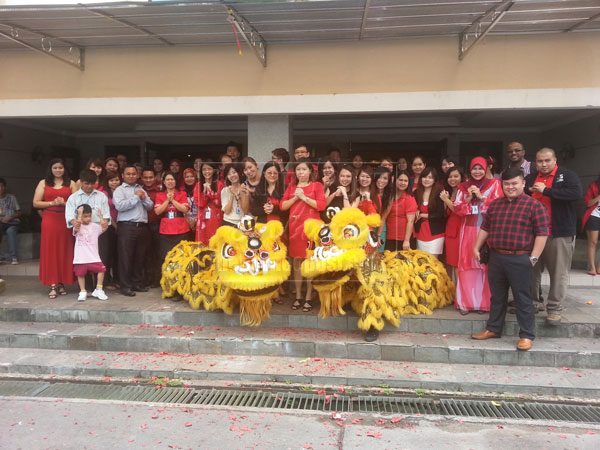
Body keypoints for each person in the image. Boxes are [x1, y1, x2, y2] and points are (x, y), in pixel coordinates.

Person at [472, 167, 550, 351]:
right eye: (506, 184)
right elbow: (485, 228)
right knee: (497, 297)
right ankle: (493, 328)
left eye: (514, 183)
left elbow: (542, 234)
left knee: (522, 298)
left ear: (523, 183)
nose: (510, 187)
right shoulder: (495, 204)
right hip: (496, 257)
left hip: (521, 258)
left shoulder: (534, 206)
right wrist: (476, 247)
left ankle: (526, 335)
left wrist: (533, 258)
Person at [525, 148, 583, 325]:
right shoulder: (530, 177)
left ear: (555, 160)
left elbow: (576, 194)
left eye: (547, 160)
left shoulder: (567, 175)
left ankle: (554, 308)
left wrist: (547, 191)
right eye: (540, 161)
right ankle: (533, 303)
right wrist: (528, 191)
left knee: (558, 272)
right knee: (530, 271)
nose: (543, 164)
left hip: (558, 233)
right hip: (533, 234)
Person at [453, 157, 503, 315]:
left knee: (484, 266)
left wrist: (482, 197)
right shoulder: (462, 187)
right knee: (466, 265)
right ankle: (465, 303)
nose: (477, 171)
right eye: (474, 168)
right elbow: (458, 209)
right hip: (467, 231)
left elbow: (499, 205)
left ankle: (482, 304)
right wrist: (468, 198)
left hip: (485, 231)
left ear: (486, 168)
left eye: (480, 168)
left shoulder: (494, 184)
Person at [281, 158, 326, 313]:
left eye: (304, 169)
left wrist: (304, 197)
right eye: (298, 170)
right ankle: (298, 295)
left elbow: (321, 205)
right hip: (295, 230)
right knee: (297, 264)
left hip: (311, 231)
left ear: (310, 171)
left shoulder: (316, 185)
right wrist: (295, 196)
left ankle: (308, 296)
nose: (301, 172)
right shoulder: (291, 187)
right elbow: (283, 206)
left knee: (310, 264)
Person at [32, 158, 77, 298]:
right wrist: (52, 203)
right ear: (50, 169)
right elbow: (36, 203)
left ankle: (62, 282)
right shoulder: (43, 183)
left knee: (65, 251)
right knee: (50, 251)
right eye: (55, 168)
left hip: (65, 220)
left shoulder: (71, 183)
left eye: (61, 168)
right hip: (50, 220)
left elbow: (77, 202)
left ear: (65, 169)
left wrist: (65, 204)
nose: (58, 170)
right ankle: (52, 283)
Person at [65, 169, 111, 292]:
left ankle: (100, 287)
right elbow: (69, 216)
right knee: (84, 260)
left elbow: (106, 214)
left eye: (92, 183)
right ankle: (87, 288)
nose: (89, 186)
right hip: (82, 233)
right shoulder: (73, 198)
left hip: (99, 231)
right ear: (81, 182)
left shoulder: (101, 196)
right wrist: (74, 222)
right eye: (86, 183)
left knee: (101, 259)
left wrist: (104, 221)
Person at [113, 165, 154, 296]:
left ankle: (137, 283)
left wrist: (143, 198)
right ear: (123, 176)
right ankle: (125, 286)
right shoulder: (119, 190)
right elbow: (120, 206)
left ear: (137, 175)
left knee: (139, 256)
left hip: (141, 227)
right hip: (127, 226)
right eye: (128, 174)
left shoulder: (141, 189)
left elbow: (150, 206)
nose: (131, 176)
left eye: (133, 174)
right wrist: (136, 198)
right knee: (125, 257)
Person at [72, 204, 109, 302]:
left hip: (94, 257)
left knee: (102, 270)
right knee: (80, 274)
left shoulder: (95, 226)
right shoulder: (77, 226)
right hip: (81, 257)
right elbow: (77, 226)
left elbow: (104, 227)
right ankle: (83, 291)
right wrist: (79, 215)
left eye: (89, 216)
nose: (88, 218)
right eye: (85, 216)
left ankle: (99, 289)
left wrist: (101, 216)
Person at [154, 172, 190, 262]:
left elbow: (185, 209)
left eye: (172, 179)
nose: (170, 181)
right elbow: (157, 211)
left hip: (181, 227)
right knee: (166, 256)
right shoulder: (160, 195)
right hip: (166, 228)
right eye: (168, 179)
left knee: (182, 255)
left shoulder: (182, 194)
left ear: (176, 181)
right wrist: (167, 200)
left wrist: (173, 200)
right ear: (164, 182)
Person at [439, 166, 465, 282]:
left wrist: (446, 200)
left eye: (456, 176)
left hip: (461, 230)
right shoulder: (448, 191)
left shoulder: (464, 191)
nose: (452, 179)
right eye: (450, 177)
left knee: (458, 265)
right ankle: (453, 293)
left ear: (461, 177)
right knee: (451, 264)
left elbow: (458, 211)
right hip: (450, 230)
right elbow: (447, 213)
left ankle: (460, 296)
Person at [381, 169, 417, 252]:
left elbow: (410, 221)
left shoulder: (409, 198)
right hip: (390, 236)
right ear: (395, 180)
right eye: (400, 180)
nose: (403, 183)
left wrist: (407, 240)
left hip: (404, 239)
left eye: (405, 181)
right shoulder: (389, 196)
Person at [414, 167, 446, 257]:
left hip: (435, 233)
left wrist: (422, 215)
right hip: (420, 232)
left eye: (430, 177)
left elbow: (440, 214)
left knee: (433, 262)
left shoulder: (439, 193)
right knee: (421, 261)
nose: (427, 180)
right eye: (425, 177)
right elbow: (412, 208)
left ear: (434, 180)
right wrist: (416, 210)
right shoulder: (416, 192)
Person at [98, 170, 121, 290]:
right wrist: (114, 225)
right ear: (107, 182)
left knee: (118, 254)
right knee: (106, 254)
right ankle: (106, 281)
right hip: (108, 226)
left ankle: (117, 279)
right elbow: (104, 211)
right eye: (112, 180)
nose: (114, 182)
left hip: (121, 225)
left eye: (116, 180)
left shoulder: (122, 191)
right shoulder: (104, 193)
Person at [141, 168, 162, 288]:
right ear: (142, 178)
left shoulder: (160, 191)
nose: (148, 180)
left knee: (157, 253)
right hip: (143, 225)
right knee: (145, 253)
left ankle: (157, 279)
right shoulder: (138, 190)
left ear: (155, 178)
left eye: (150, 177)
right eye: (146, 177)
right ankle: (146, 278)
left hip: (157, 225)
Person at [195, 162, 224, 245]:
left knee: (215, 239)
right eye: (204, 169)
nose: (206, 171)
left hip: (216, 217)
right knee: (202, 241)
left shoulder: (220, 184)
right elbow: (199, 204)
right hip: (202, 217)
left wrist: (210, 191)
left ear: (214, 170)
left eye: (209, 169)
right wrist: (204, 192)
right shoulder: (198, 185)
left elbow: (219, 203)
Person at [0, 178, 22, 265]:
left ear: (4, 187)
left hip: (12, 222)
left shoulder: (11, 197)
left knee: (10, 231)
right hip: (1, 223)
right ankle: (1, 256)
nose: (0, 188)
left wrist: (10, 217)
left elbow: (19, 212)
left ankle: (14, 257)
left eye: (1, 186)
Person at [582, 173, 600, 275]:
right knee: (593, 242)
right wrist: (598, 197)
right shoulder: (594, 185)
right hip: (594, 216)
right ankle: (592, 268)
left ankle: (599, 268)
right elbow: (587, 203)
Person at [374, 167, 392, 252]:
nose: (381, 180)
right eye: (379, 177)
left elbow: (383, 217)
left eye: (385, 178)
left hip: (380, 229)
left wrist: (378, 236)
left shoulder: (390, 196)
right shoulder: (370, 192)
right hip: (367, 227)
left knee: (378, 255)